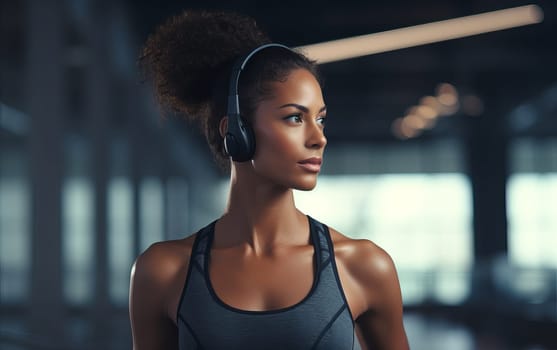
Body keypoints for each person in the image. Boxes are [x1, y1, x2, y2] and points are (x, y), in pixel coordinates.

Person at [129, 10, 409, 350]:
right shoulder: (163, 272)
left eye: (320, 120)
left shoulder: (363, 266)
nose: (318, 138)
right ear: (236, 131)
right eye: (294, 117)